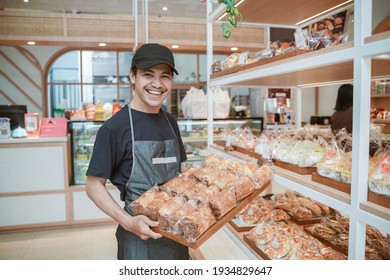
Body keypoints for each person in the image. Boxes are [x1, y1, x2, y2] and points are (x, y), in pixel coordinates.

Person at [85, 43, 189, 260]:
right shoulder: (114, 128)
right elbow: (93, 185)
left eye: (165, 76)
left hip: (178, 232)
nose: (157, 84)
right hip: (137, 238)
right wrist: (128, 221)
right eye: (148, 74)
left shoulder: (171, 122)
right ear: (133, 76)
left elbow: (181, 171)